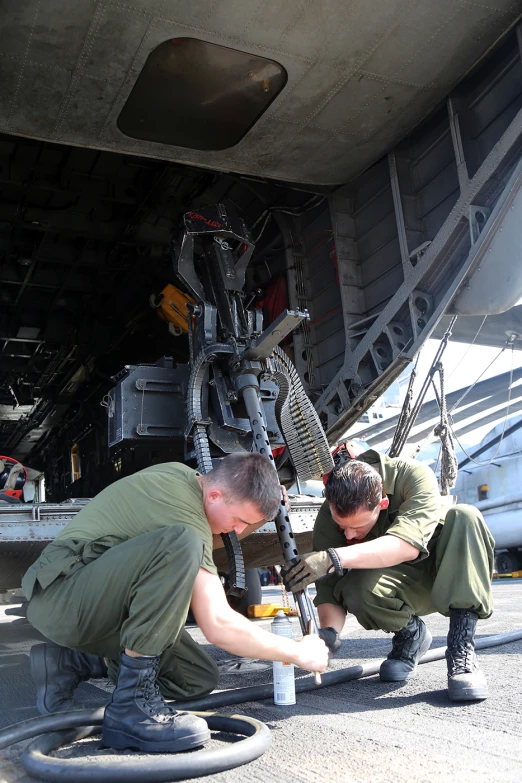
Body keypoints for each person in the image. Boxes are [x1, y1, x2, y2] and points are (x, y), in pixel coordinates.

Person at [22, 453, 328, 753]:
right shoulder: (186, 523)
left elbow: (214, 531)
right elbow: (218, 625)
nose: (238, 530)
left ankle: (70, 662)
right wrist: (298, 652)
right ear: (216, 495)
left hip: (92, 596)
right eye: (239, 520)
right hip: (61, 594)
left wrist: (255, 515)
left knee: (195, 677)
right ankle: (131, 707)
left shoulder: (188, 480)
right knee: (183, 544)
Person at [282, 448, 494, 702]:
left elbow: (406, 545)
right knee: (355, 587)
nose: (347, 535)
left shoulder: (412, 477)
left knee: (465, 516)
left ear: (382, 504)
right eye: (342, 527)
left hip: (448, 573)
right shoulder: (331, 510)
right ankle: (411, 635)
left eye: (356, 527)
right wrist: (328, 635)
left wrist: (333, 557)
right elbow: (329, 588)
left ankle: (462, 651)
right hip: (402, 585)